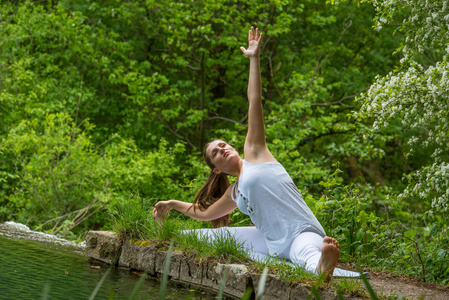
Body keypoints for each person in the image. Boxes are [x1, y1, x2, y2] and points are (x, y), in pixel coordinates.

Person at [153, 27, 364, 280]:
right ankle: (164, 235)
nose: (223, 148)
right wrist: (173, 205)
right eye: (216, 152)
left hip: (300, 233)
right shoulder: (235, 192)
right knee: (204, 236)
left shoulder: (255, 153)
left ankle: (322, 266)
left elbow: (255, 101)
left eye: (223, 144)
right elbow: (206, 213)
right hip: (271, 242)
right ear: (216, 169)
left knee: (305, 254)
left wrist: (254, 58)